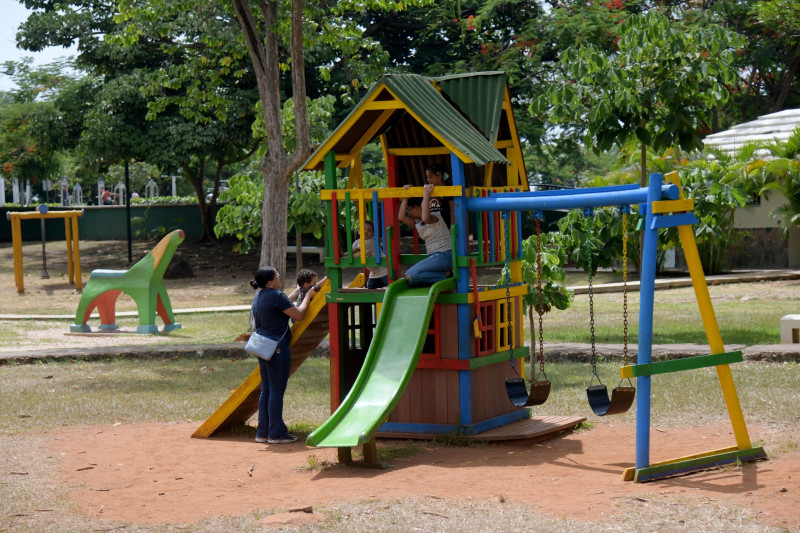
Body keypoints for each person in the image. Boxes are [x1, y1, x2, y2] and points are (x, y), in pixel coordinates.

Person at [250, 267, 316, 444]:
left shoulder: (260, 295)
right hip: (277, 347)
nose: (280, 278)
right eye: (277, 276)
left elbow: (284, 301)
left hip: (262, 346)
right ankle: (276, 433)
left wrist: (299, 291)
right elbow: (299, 314)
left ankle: (263, 432)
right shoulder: (276, 296)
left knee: (267, 389)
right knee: (277, 390)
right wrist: (308, 297)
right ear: (270, 282)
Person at [398, 183, 452, 287]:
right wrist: (405, 197)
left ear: (417, 207)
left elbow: (425, 218)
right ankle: (444, 275)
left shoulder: (434, 217)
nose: (408, 212)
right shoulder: (417, 223)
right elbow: (401, 217)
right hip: (434, 257)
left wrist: (426, 193)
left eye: (409, 209)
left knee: (411, 275)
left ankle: (446, 275)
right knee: (412, 281)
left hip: (444, 255)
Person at [351, 220, 388, 289]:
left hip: (384, 270)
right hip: (374, 273)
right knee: (370, 288)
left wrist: (343, 255)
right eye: (364, 229)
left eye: (369, 230)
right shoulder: (356, 243)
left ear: (372, 233)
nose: (366, 231)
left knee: (390, 287)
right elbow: (352, 256)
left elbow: (354, 252)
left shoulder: (372, 241)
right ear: (358, 231)